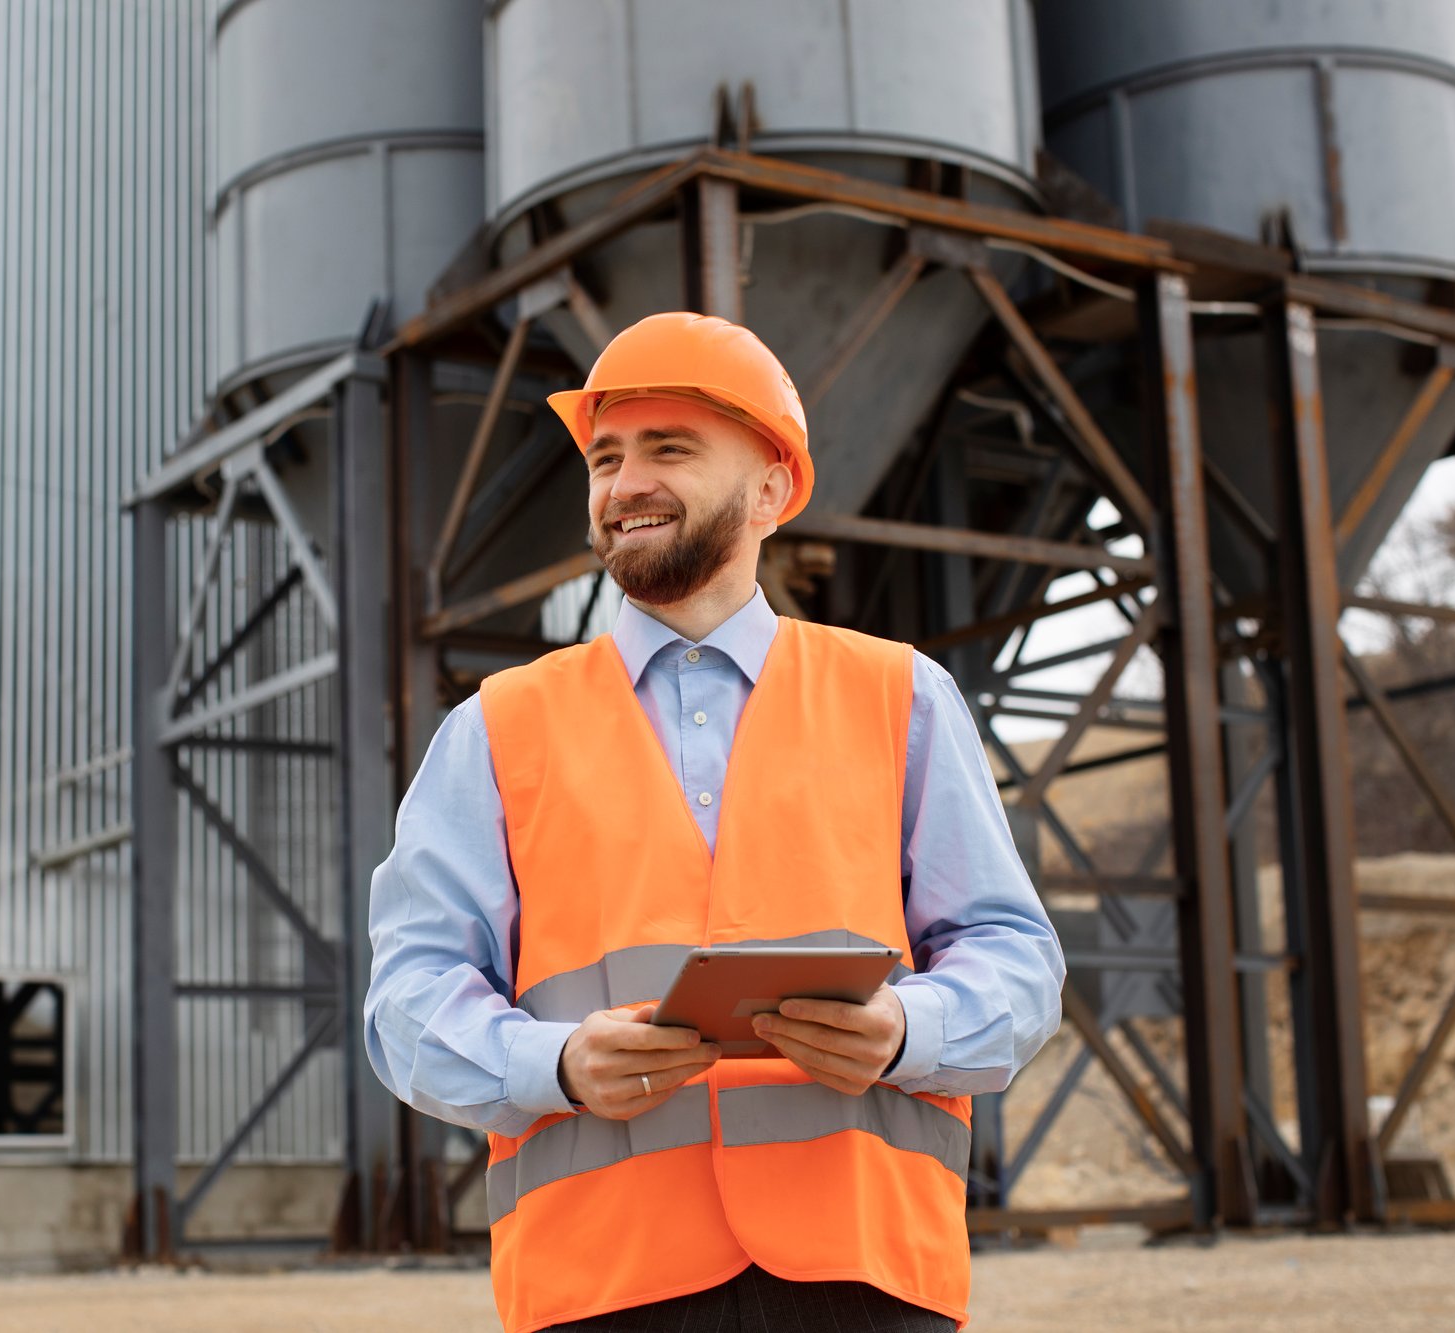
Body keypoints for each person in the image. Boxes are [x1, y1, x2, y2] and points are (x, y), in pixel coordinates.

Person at [364, 311, 1064, 1332]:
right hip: (602, 1283)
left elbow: (1015, 959)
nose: (623, 482)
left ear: (772, 487)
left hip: (861, 1279)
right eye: (604, 457)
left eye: (668, 448)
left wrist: (906, 1030)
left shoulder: (899, 697)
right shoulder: (496, 729)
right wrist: (550, 1064)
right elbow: (404, 1003)